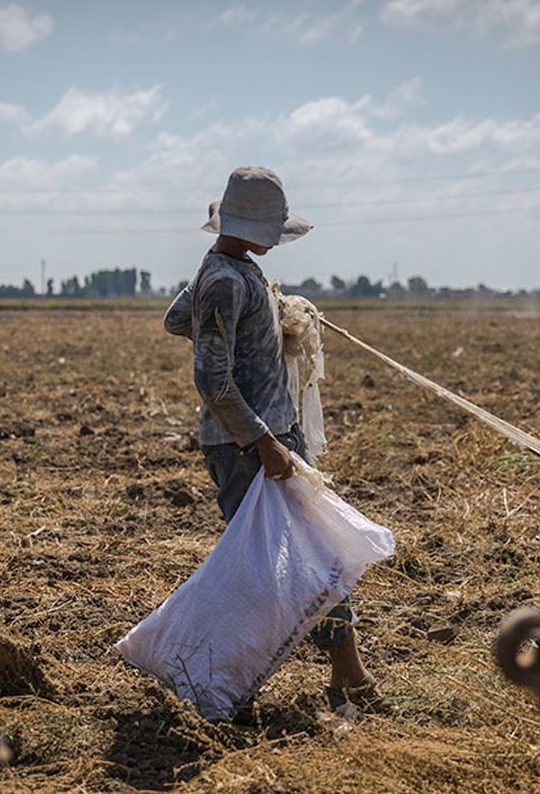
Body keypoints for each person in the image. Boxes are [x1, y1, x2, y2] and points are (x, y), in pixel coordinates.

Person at [162, 165, 379, 713]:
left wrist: (262, 319)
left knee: (300, 557)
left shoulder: (228, 271)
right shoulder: (227, 281)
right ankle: (225, 678)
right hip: (254, 445)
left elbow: (174, 320)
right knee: (297, 561)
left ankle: (339, 673)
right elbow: (212, 379)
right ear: (254, 229)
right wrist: (264, 442)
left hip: (262, 439)